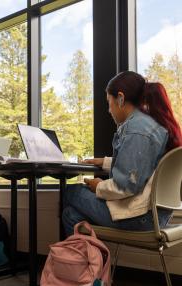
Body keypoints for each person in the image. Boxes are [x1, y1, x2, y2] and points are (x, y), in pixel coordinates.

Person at [62, 71, 182, 236]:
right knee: (70, 215)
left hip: (140, 218)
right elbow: (145, 163)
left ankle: (85, 261)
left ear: (120, 98)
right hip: (156, 215)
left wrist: (99, 186)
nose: (109, 110)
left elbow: (126, 185)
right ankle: (95, 261)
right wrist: (104, 162)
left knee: (71, 192)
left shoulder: (137, 129)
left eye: (109, 102)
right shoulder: (153, 124)